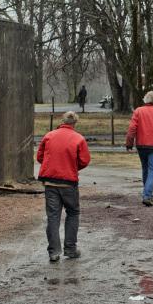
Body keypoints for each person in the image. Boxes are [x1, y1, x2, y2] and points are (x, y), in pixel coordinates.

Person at [36, 111, 91, 262]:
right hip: (68, 182)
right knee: (73, 213)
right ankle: (70, 249)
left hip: (50, 181)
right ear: (75, 123)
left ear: (62, 121)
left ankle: (54, 252)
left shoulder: (49, 136)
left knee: (53, 216)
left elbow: (40, 156)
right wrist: (72, 167)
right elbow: (85, 160)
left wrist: (52, 166)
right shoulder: (79, 138)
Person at [125, 91, 153, 206]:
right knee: (152, 170)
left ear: (145, 99)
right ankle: (147, 195)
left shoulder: (138, 111)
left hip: (141, 145)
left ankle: (147, 194)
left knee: (145, 169)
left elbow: (132, 128)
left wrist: (129, 143)